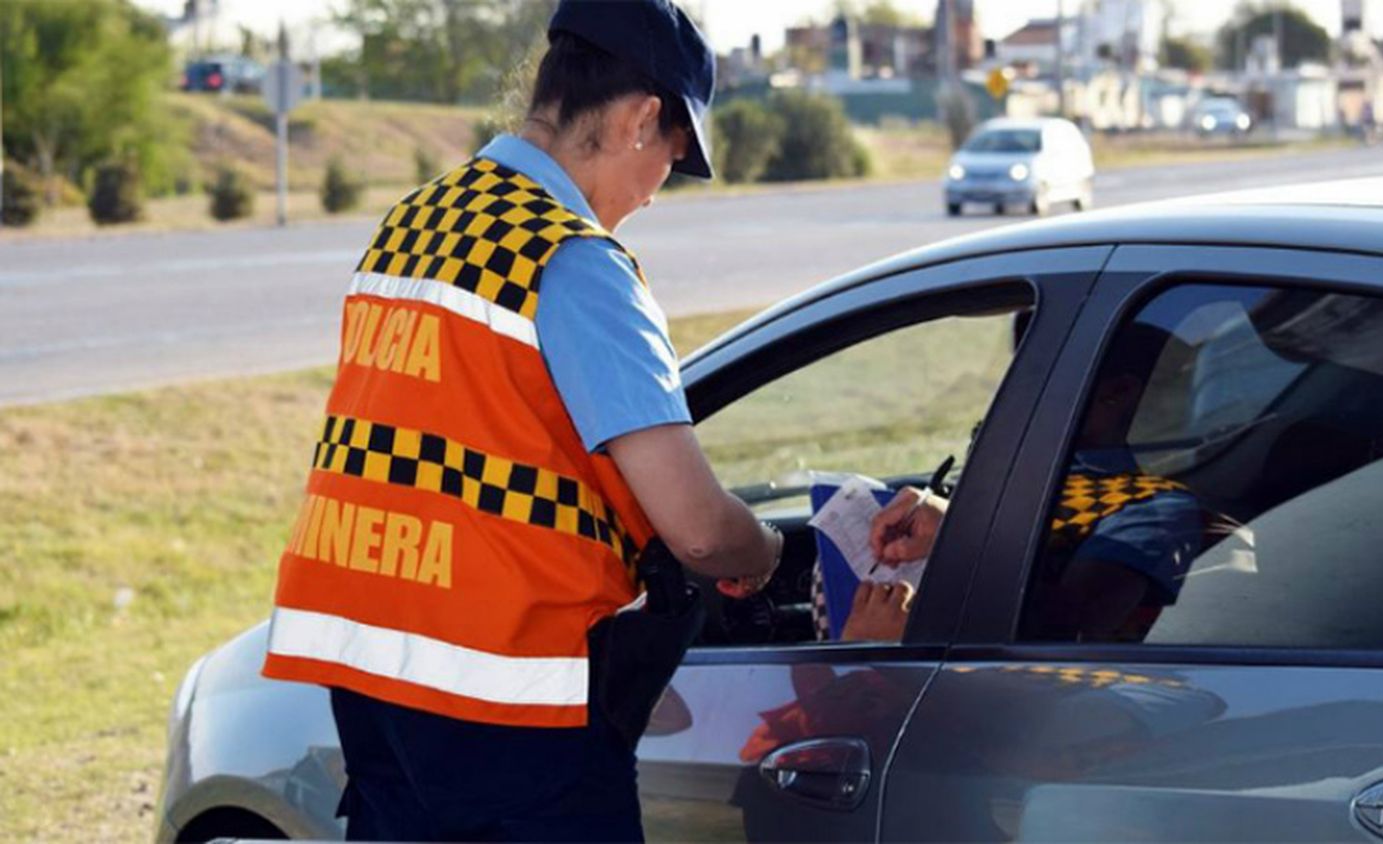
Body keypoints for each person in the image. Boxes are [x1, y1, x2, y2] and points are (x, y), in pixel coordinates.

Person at [260, 2, 780, 840]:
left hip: (376, 685)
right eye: (669, 166)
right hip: (512, 706)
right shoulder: (570, 260)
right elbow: (699, 533)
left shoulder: (414, 223)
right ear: (641, 118)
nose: (650, 200)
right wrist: (767, 552)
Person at [855, 323, 1207, 643]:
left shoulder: (1152, 505)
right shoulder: (1025, 473)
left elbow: (1071, 624)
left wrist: (957, 535)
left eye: (1037, 376)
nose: (1011, 396)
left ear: (1118, 392)